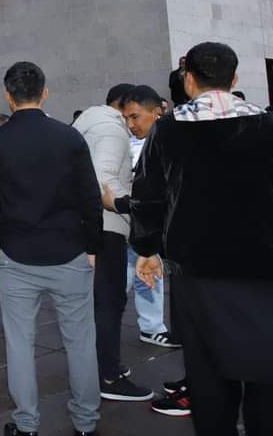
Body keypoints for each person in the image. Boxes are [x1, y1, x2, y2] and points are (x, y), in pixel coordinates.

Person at [131, 42, 273, 436]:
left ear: (189, 80)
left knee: (208, 378)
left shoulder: (169, 129)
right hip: (264, 271)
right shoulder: (266, 124)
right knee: (266, 372)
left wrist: (146, 250)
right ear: (235, 79)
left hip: (199, 273)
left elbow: (148, 195)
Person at [0, 61, 102, 436]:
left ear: (7, 95)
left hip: (16, 254)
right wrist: (93, 245)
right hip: (69, 251)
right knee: (80, 342)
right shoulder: (68, 137)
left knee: (19, 343)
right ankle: (85, 423)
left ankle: (27, 424)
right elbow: (90, 198)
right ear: (45, 92)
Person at [72, 84, 155, 402]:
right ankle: (106, 375)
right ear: (122, 107)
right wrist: (128, 205)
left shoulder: (88, 125)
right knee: (109, 303)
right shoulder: (113, 130)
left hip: (90, 226)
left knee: (99, 303)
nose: (134, 125)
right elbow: (103, 179)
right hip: (106, 227)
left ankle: (103, 365)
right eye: (131, 115)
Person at [119, 86, 187, 419]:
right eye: (126, 118)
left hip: (165, 233)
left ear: (156, 111)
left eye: (135, 116)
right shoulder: (130, 142)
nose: (131, 124)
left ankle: (152, 326)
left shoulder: (171, 138)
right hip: (141, 229)